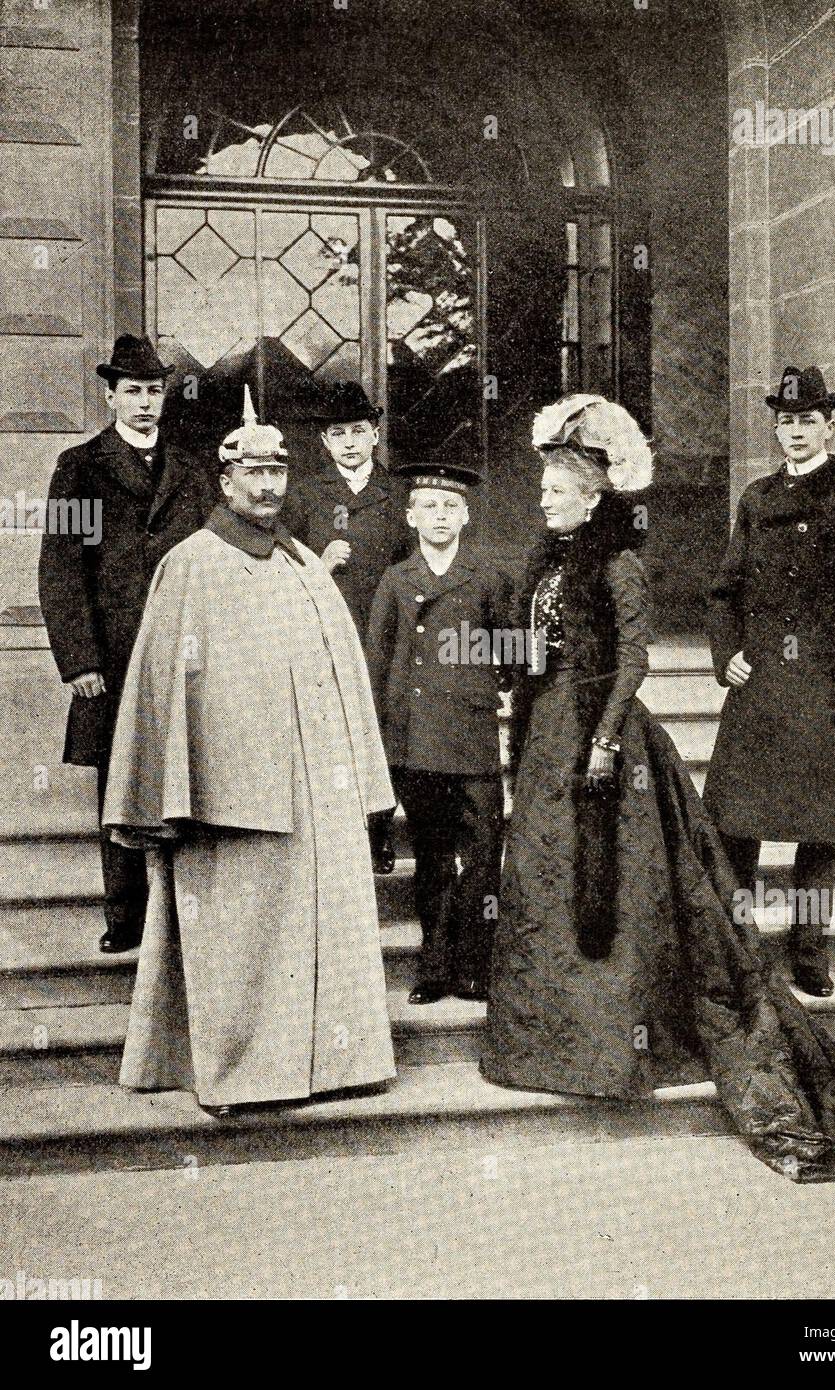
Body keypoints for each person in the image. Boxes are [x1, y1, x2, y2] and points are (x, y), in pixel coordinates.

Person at [481, 393, 835, 1182]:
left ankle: (790, 959)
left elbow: (633, 661)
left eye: (554, 489)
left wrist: (606, 740)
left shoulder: (622, 563)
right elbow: (714, 597)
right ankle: (547, 1031)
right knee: (544, 877)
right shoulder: (545, 558)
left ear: (593, 494)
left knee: (658, 876)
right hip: (546, 738)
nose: (541, 499)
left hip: (614, 738)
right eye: (542, 489)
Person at [102, 389, 396, 1112]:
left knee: (321, 935)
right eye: (252, 475)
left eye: (278, 474)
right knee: (237, 941)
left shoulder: (302, 564)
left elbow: (342, 674)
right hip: (230, 799)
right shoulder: (191, 565)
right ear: (225, 482)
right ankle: (237, 1074)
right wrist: (177, 791)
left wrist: (355, 775)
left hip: (315, 797)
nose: (267, 487)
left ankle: (336, 1067)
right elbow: (163, 690)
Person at [703, 366, 835, 997]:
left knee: (820, 834)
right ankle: (738, 953)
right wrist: (726, 652)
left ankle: (810, 952)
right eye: (786, 422)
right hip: (760, 692)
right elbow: (724, 591)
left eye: (807, 421)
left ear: (829, 426)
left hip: (826, 695)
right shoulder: (757, 498)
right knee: (738, 829)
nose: (795, 433)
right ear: (776, 428)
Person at [37, 334, 213, 954]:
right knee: (121, 782)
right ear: (111, 397)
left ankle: (180, 915)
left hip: (183, 654)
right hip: (110, 657)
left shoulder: (191, 470)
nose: (145, 403)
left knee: (183, 778)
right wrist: (79, 660)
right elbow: (59, 566)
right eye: (132, 392)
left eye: (154, 391)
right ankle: (125, 916)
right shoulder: (78, 467)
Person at [366, 449, 513, 1003]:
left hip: (472, 735)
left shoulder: (488, 576)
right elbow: (376, 661)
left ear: (466, 516)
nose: (441, 516)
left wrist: (498, 687)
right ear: (410, 517)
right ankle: (434, 965)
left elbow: (511, 650)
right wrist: (380, 737)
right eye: (428, 507)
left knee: (481, 853)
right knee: (431, 855)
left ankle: (473, 964)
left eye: (450, 506)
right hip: (417, 736)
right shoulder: (396, 580)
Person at [286, 379, 407, 640]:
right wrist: (320, 566)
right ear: (326, 441)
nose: (349, 442)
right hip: (328, 623)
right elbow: (283, 570)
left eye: (358, 431)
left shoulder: (400, 493)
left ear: (375, 435)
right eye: (338, 433)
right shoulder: (305, 494)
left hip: (387, 623)